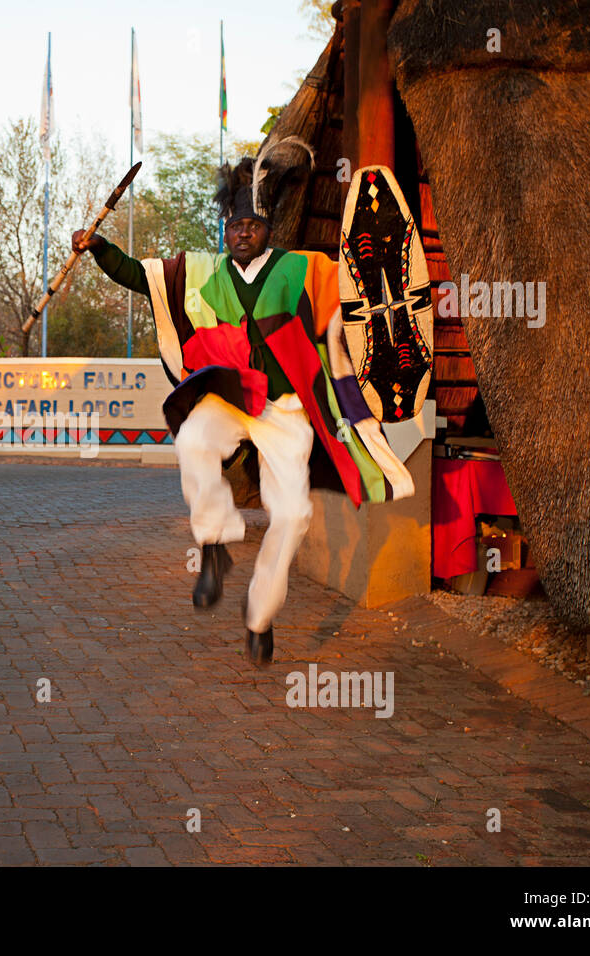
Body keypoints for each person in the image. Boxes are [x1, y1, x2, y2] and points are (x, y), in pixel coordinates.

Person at [73, 146, 414, 667]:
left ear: (268, 227)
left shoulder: (306, 270)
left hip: (286, 410)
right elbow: (144, 278)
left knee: (294, 517)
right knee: (192, 439)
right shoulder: (204, 272)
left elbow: (362, 290)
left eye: (252, 225)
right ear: (224, 230)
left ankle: (259, 616)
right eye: (234, 226)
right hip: (230, 397)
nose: (242, 234)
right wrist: (99, 247)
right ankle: (214, 544)